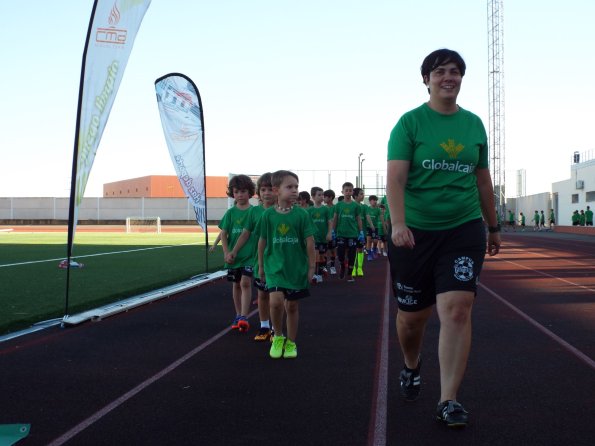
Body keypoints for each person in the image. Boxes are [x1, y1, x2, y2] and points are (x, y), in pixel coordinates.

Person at [386, 49, 501, 428]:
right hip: (414, 233)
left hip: (463, 228)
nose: (448, 77)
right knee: (411, 319)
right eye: (440, 72)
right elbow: (397, 179)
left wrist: (493, 225)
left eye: (455, 71)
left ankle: (448, 399)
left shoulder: (473, 125)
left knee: (456, 308)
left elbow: (482, 180)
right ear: (426, 80)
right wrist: (398, 223)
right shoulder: (410, 124)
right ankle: (411, 364)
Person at [258, 170, 316, 359]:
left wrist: (311, 267)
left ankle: (291, 342)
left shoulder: (301, 215)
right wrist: (260, 266)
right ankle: (278, 336)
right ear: (276, 190)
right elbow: (262, 241)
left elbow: (309, 242)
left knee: (292, 306)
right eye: (289, 187)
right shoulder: (268, 216)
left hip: (296, 268)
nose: (294, 191)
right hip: (274, 267)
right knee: (275, 302)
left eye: (296, 187)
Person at [227, 173, 275, 341]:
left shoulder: (284, 210)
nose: (267, 193)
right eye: (263, 189)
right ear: (259, 192)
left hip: (279, 260)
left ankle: (276, 328)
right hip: (259, 260)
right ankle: (264, 326)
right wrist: (233, 251)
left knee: (277, 297)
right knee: (262, 294)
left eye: (271, 189)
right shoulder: (254, 212)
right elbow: (245, 234)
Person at [218, 174, 255, 332]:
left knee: (245, 283)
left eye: (243, 191)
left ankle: (244, 316)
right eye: (236, 191)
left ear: (250, 192)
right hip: (233, 257)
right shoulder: (230, 213)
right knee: (236, 285)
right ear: (232, 193)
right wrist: (227, 252)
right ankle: (238, 313)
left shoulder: (255, 212)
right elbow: (223, 234)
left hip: (250, 256)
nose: (240, 195)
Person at [333, 182, 364, 282]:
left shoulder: (356, 206)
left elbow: (359, 219)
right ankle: (342, 265)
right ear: (342, 191)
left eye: (350, 190)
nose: (348, 192)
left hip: (352, 234)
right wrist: (333, 231)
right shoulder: (338, 205)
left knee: (352, 255)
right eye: (346, 190)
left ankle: (350, 274)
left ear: (352, 192)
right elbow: (335, 219)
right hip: (341, 233)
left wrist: (361, 232)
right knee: (341, 254)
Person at [307, 187, 333, 283]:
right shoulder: (309, 210)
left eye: (323, 195)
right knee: (316, 256)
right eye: (319, 195)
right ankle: (316, 275)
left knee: (322, 256)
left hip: (323, 237)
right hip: (313, 238)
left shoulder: (326, 209)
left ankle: (322, 269)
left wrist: (330, 233)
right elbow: (307, 225)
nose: (322, 197)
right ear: (313, 197)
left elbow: (330, 222)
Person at [323, 189, 338, 274]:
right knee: (324, 252)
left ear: (330, 198)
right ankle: (324, 267)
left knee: (332, 251)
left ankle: (332, 266)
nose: (323, 198)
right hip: (324, 233)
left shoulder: (335, 208)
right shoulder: (323, 208)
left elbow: (335, 220)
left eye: (325, 197)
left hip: (333, 233)